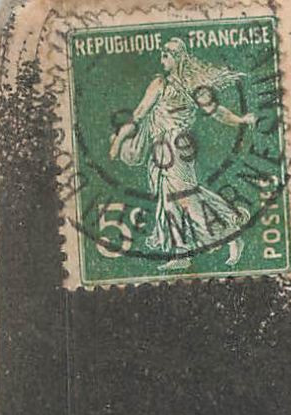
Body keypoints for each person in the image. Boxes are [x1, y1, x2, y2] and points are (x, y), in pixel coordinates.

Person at [109, 39, 256, 269]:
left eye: (167, 55)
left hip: (177, 146)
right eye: (162, 55)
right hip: (160, 148)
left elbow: (216, 111)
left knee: (185, 197)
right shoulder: (160, 83)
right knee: (169, 200)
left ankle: (230, 234)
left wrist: (240, 120)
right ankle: (182, 253)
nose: (162, 59)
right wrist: (121, 139)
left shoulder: (192, 88)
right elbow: (139, 113)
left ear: (179, 57)